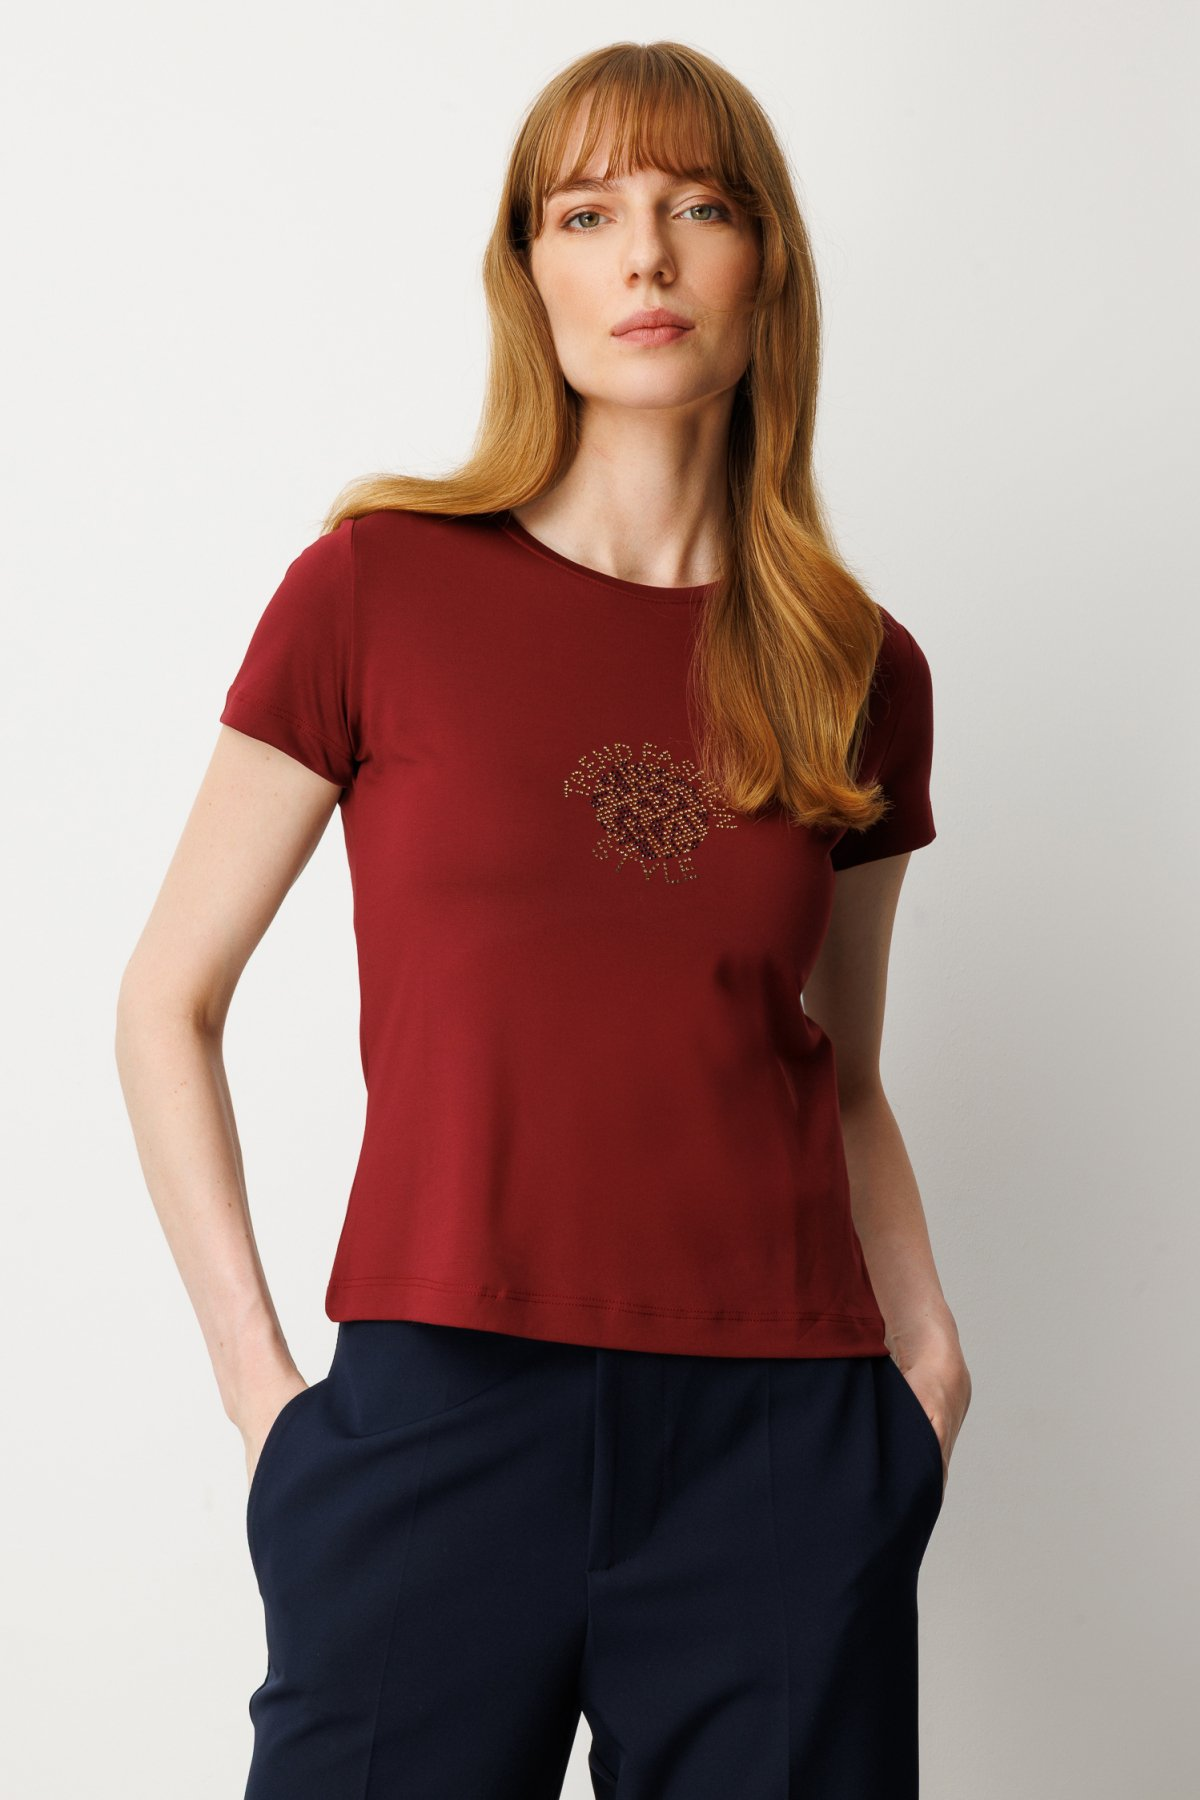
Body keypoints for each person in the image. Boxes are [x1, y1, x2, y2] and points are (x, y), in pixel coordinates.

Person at [115, 38, 972, 1800]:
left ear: (766, 263)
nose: (644, 254)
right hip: (437, 1411)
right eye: (587, 213)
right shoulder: (375, 590)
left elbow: (840, 1069)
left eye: (697, 206)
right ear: (530, 273)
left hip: (777, 1441)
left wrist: (929, 1373)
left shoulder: (857, 668)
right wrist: (268, 1404)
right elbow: (165, 1002)